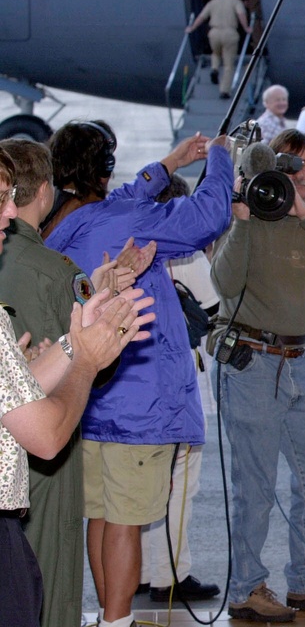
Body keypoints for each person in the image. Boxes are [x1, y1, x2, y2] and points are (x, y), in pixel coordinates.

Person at [46, 127, 232, 627]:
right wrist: (219, 158)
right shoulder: (124, 220)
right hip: (139, 403)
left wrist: (172, 161)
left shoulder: (60, 223)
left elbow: (126, 198)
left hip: (84, 397)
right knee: (127, 520)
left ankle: (107, 617)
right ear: (104, 171)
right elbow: (206, 217)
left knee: (101, 515)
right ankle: (119, 621)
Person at [0, 146, 156, 625]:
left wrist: (73, 343)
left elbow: (14, 386)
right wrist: (86, 360)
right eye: (0, 199)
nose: (9, 212)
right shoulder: (55, 268)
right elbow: (46, 437)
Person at [210, 128, 305, 622]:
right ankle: (247, 588)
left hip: (302, 364)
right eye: (287, 167)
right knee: (254, 486)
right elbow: (224, 283)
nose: (298, 176)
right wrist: (247, 222)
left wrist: (304, 212)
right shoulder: (248, 223)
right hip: (252, 363)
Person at [140, 174, 221, 604]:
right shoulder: (188, 250)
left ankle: (137, 568)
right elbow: (213, 307)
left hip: (135, 374)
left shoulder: (130, 237)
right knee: (180, 478)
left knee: (141, 476)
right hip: (175, 374)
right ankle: (170, 573)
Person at [185, 0, 249, 99]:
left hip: (214, 33)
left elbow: (201, 17)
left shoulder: (213, 2)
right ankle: (224, 91)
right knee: (228, 64)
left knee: (216, 52)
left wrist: (192, 28)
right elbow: (241, 15)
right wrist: (246, 28)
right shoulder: (236, 2)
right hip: (230, 33)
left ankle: (214, 68)